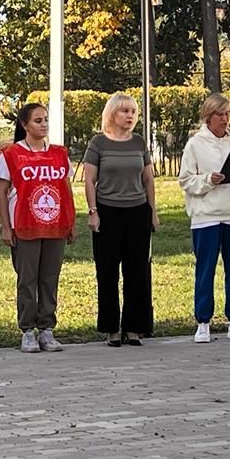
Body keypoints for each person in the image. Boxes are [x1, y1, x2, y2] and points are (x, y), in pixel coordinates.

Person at [0, 103, 76, 353]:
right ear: (24, 125)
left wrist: (70, 222)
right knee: (27, 279)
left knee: (49, 278)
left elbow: (66, 189)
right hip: (26, 225)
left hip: (54, 225)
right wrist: (6, 227)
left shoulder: (59, 154)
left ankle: (47, 328)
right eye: (38, 121)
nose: (43, 125)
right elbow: (1, 191)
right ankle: (27, 329)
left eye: (45, 120)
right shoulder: (10, 154)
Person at [178, 93, 230, 344]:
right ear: (208, 117)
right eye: (219, 115)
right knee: (205, 268)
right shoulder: (195, 144)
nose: (224, 119)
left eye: (227, 114)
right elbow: (186, 180)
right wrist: (207, 180)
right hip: (206, 216)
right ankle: (203, 322)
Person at [83, 93, 158, 347]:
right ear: (112, 114)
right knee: (107, 272)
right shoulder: (98, 143)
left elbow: (148, 179)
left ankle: (134, 328)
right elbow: (89, 180)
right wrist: (93, 211)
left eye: (133, 112)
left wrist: (153, 211)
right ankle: (111, 329)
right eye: (124, 111)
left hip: (137, 212)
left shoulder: (138, 142)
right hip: (108, 212)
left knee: (137, 271)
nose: (129, 116)